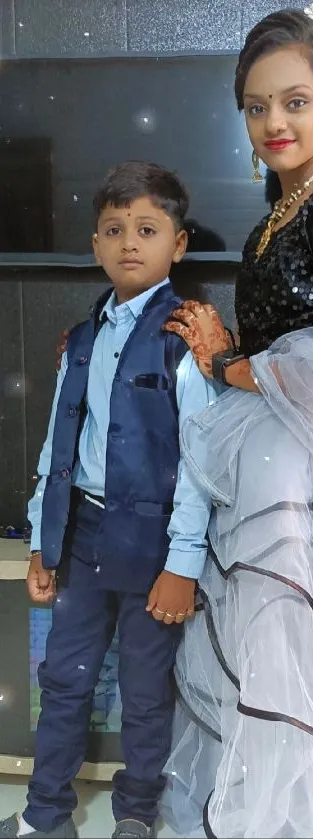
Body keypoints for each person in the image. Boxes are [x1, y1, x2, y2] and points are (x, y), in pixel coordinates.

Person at [161, 7, 313, 838]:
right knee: (271, 676)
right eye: (258, 106)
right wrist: (227, 357)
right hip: (273, 464)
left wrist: (228, 363)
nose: (274, 122)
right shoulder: (285, 207)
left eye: (294, 102)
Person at [0, 161, 217, 839]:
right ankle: (46, 815)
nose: (129, 242)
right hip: (82, 539)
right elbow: (57, 448)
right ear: (94, 245)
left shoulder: (185, 340)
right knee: (62, 680)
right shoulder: (81, 339)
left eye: (147, 228)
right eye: (114, 229)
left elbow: (203, 463)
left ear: (176, 245)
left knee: (148, 692)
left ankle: (135, 814)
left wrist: (182, 563)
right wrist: (43, 535)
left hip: (153, 550)